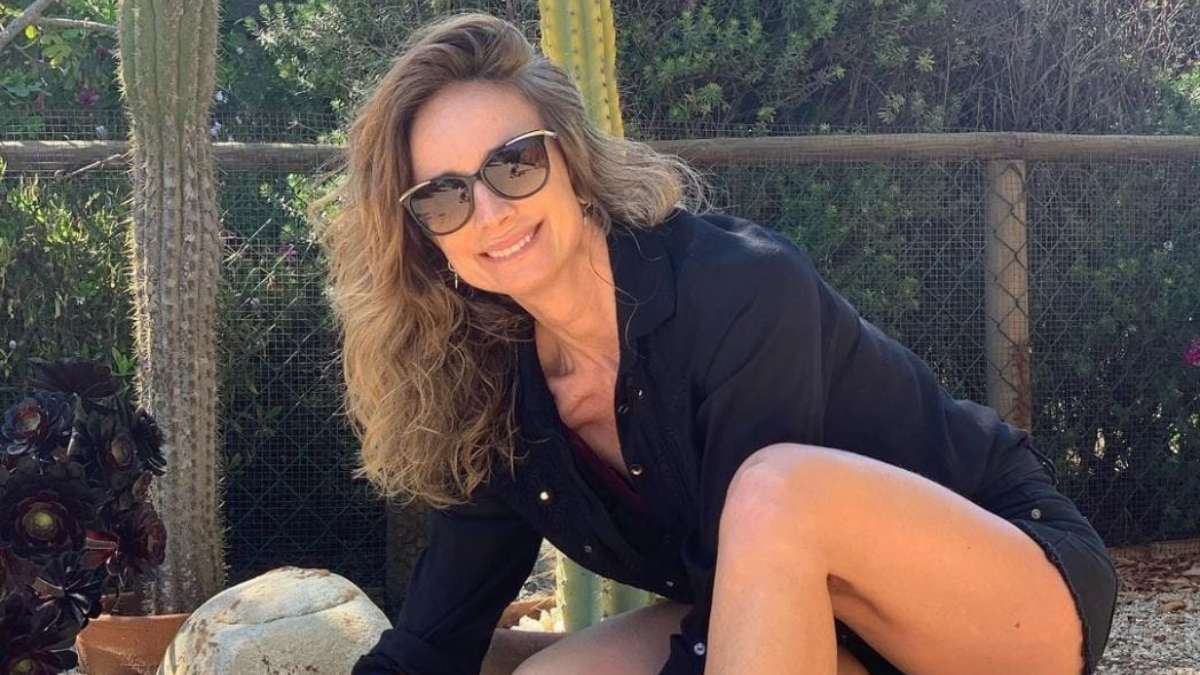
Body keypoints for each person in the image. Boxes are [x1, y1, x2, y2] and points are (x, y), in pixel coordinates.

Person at [314, 12, 1118, 675]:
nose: (489, 212)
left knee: (776, 493)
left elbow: (741, 590)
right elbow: (435, 640)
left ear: (573, 158)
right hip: (815, 630)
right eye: (444, 196)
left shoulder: (736, 289)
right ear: (426, 236)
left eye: (513, 163)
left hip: (1004, 594)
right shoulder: (496, 394)